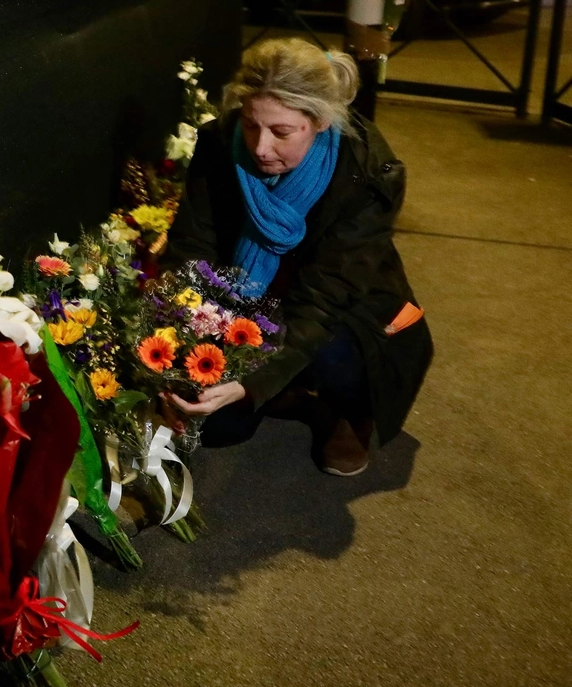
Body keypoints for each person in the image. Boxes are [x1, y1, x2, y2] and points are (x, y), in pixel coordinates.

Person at [161, 38, 432, 476]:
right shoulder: (219, 143)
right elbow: (193, 247)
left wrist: (247, 380)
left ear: (321, 121)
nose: (260, 147)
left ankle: (347, 410)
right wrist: (186, 334)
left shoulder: (367, 171)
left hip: (344, 312)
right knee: (218, 430)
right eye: (251, 125)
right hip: (249, 297)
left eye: (282, 133)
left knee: (333, 351)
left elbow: (324, 300)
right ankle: (287, 390)